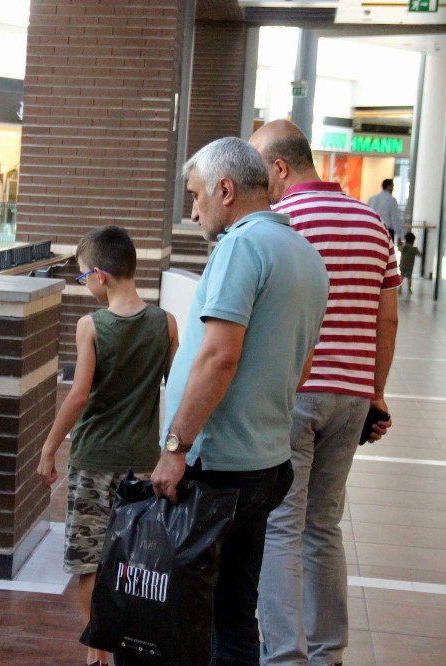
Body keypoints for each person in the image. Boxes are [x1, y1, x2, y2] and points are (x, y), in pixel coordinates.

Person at [150, 137, 329, 663]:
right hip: (267, 460)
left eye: (196, 195)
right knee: (233, 611)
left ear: (225, 189)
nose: (194, 208)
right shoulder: (306, 256)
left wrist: (175, 446)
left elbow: (218, 357)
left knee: (197, 612)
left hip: (221, 466)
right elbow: (303, 368)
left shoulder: (240, 246)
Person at [250, 119, 400, 666]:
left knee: (282, 526)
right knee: (323, 527)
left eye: (258, 169)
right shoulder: (370, 223)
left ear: (280, 168)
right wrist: (376, 393)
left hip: (292, 394)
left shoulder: (279, 222)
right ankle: (328, 652)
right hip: (352, 396)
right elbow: (387, 318)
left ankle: (285, 655)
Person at [36, 225, 178, 666]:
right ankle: (134, 641)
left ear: (101, 275)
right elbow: (174, 388)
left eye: (82, 278)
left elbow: (78, 395)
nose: (85, 287)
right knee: (137, 560)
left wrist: (47, 448)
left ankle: (98, 649)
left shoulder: (91, 326)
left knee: (90, 557)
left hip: (94, 460)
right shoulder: (165, 323)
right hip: (142, 464)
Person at [367, 178, 402, 243]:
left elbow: (367, 215)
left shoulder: (371, 199)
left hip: (372, 230)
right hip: (386, 231)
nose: (393, 188)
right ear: (388, 186)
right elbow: (395, 218)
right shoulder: (392, 200)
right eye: (392, 186)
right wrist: (399, 235)